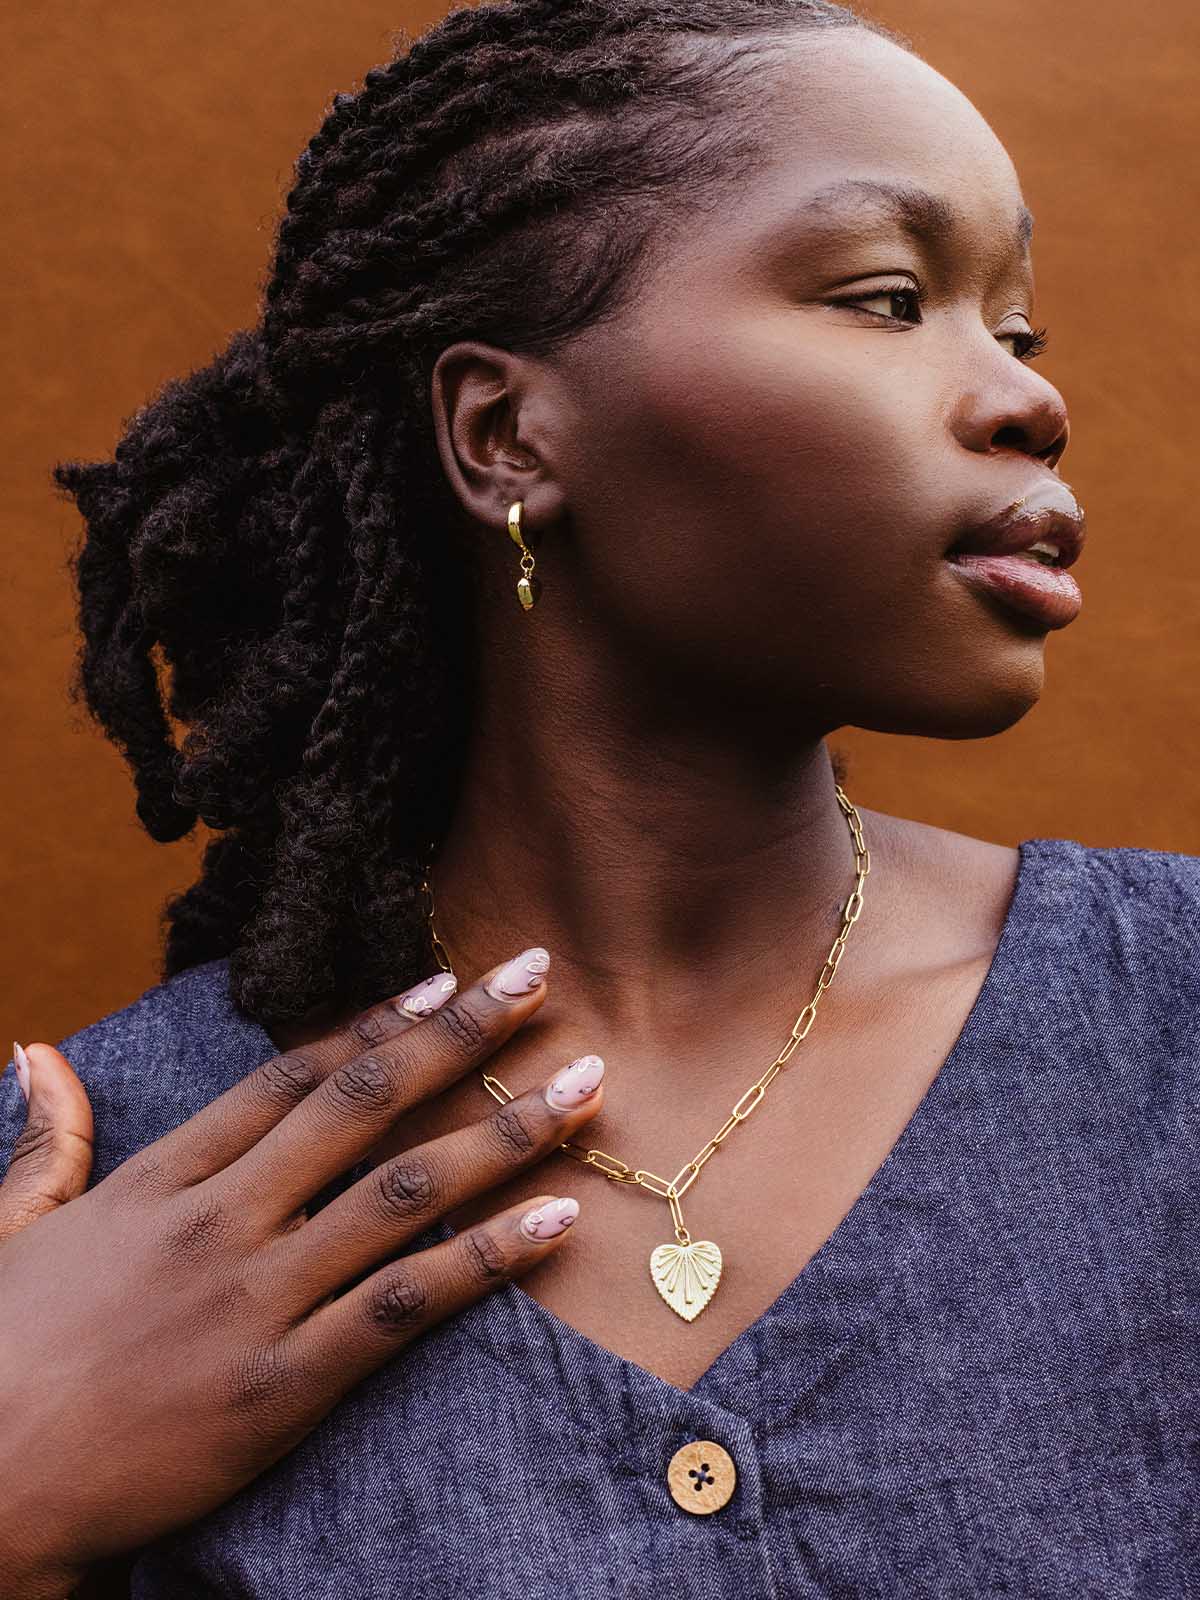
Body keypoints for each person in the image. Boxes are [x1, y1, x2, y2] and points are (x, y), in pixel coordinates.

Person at [2, 0, 1196, 1594]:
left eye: (1018, 331)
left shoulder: (1171, 1024)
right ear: (507, 432)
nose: (1027, 400)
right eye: (893, 299)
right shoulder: (77, 1204)